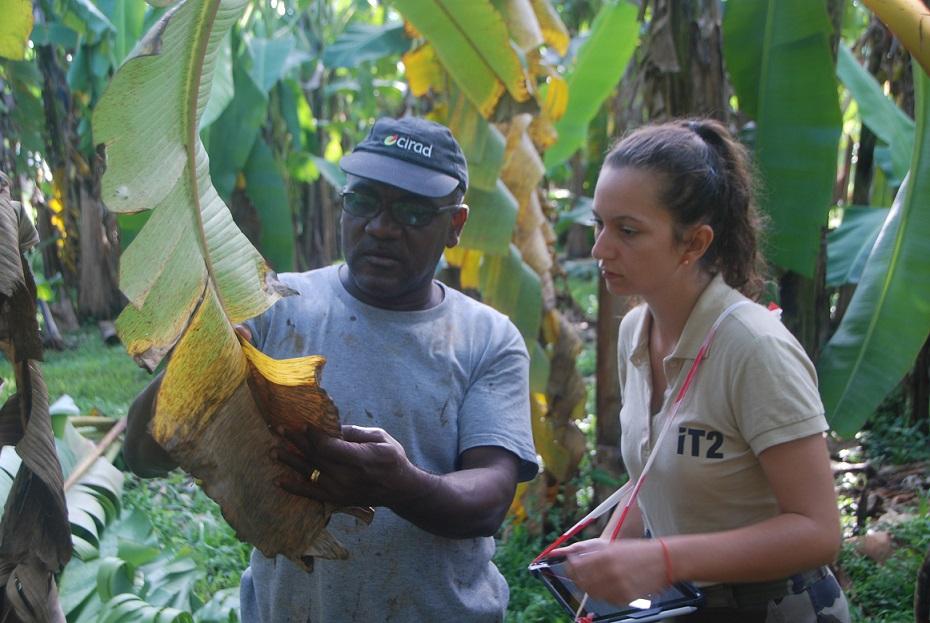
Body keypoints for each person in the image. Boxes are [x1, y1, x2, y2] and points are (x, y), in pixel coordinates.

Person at [124, 116, 538, 622]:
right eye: (363, 201)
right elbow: (141, 456)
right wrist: (193, 362)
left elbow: (491, 497)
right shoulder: (271, 307)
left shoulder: (487, 339)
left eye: (412, 211)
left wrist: (401, 486)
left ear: (455, 226)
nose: (381, 227)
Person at [552, 119, 849, 622]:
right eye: (599, 224)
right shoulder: (636, 331)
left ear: (694, 244)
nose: (600, 248)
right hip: (686, 603)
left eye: (627, 231)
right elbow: (650, 481)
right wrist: (610, 560)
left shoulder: (754, 348)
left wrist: (663, 559)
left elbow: (819, 532)